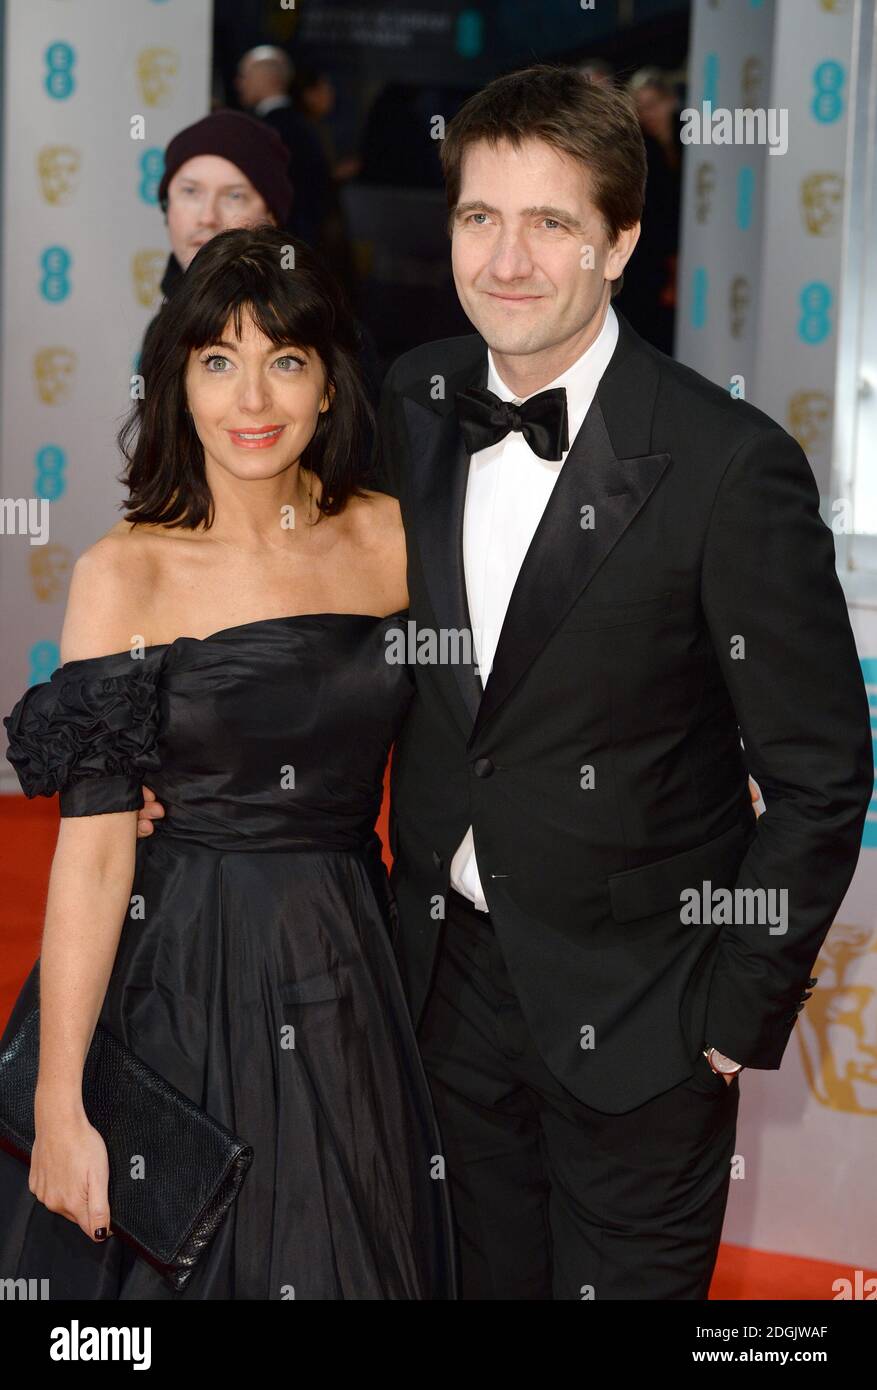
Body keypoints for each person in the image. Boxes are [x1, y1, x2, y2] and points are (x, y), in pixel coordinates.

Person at [138, 66, 873, 1301]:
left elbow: (818, 777)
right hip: (432, 1000)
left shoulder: (727, 464)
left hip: (644, 1011)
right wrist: (188, 754)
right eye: (481, 217)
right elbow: (283, 570)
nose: (508, 259)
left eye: (551, 222)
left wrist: (727, 1014)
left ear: (621, 241)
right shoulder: (411, 400)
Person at [0, 226, 456, 1300]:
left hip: (349, 967)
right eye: (218, 360)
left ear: (331, 386)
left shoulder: (395, 542)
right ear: (177, 382)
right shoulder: (127, 571)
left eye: (285, 359)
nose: (253, 396)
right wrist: (61, 1102)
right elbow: (97, 855)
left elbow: (501, 724)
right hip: (176, 970)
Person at [235, 45, 331, 250]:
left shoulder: (267, 130)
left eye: (244, 76)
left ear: (264, 78)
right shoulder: (304, 125)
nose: (239, 83)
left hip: (277, 246)